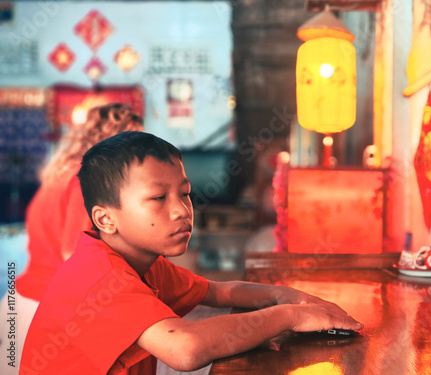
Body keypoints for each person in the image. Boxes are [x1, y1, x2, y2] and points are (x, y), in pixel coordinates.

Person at [20, 131, 363, 374]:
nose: (182, 210)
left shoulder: (143, 260)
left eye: (184, 194)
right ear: (105, 219)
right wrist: (291, 316)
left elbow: (214, 291)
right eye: (159, 198)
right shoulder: (99, 277)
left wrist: (284, 294)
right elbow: (185, 349)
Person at [0, 104, 143, 373]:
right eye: (134, 142)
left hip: (24, 300)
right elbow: (74, 253)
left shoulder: (63, 170)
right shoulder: (85, 181)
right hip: (43, 307)